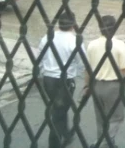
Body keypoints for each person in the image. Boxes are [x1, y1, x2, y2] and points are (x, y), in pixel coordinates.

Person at [85, 15, 125, 148]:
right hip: (113, 86)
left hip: (96, 85)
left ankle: (105, 142)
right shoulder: (119, 45)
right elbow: (124, 69)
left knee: (100, 118)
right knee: (117, 117)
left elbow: (88, 69)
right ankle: (103, 142)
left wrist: (87, 86)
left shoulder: (92, 45)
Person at [38, 10, 85, 148]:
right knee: (59, 112)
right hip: (65, 81)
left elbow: (39, 58)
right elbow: (82, 61)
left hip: (48, 79)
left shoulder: (47, 37)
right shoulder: (75, 40)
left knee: (59, 109)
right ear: (73, 25)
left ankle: (66, 134)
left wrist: (43, 71)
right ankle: (54, 143)